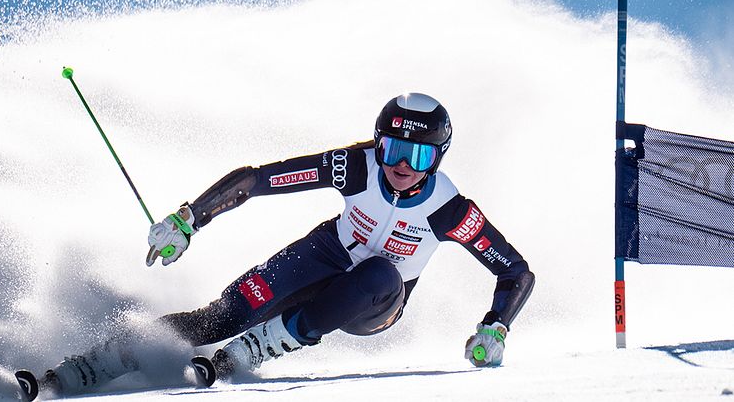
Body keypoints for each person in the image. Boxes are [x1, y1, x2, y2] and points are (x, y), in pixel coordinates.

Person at [39, 93, 535, 395]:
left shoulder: (449, 209)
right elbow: (259, 180)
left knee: (380, 271)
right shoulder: (354, 165)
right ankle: (89, 365)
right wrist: (191, 218)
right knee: (221, 316)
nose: (401, 165)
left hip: (376, 300)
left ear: (438, 156)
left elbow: (515, 272)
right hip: (327, 255)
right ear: (377, 143)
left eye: (418, 154)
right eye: (391, 148)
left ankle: (254, 350)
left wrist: (496, 328)